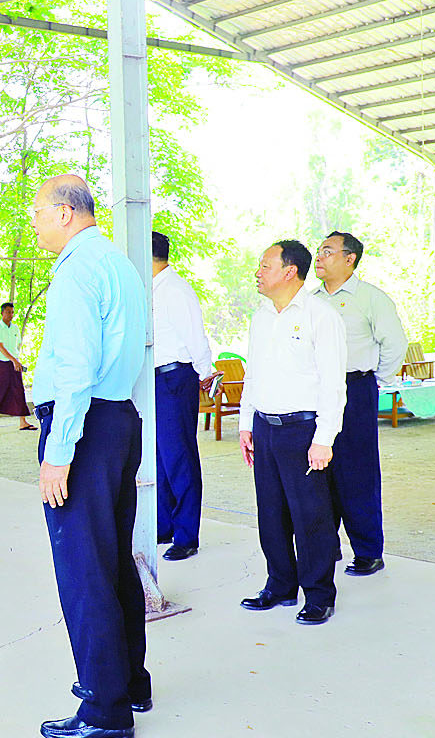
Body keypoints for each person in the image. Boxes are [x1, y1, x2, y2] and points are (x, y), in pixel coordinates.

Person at [28, 175, 149, 738]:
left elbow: (76, 368)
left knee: (84, 569)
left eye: (38, 211)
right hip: (118, 419)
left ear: (65, 212)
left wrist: (59, 453)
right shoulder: (119, 264)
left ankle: (105, 709)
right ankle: (130, 683)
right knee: (114, 559)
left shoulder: (77, 270)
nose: (34, 222)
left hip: (85, 428)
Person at [238, 241, 346, 626]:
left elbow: (333, 382)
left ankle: (318, 595)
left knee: (311, 516)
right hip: (265, 428)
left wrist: (324, 439)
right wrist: (246, 423)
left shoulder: (321, 316)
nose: (258, 272)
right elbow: (254, 375)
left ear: (290, 271)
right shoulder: (261, 317)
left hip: (303, 430)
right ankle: (280, 585)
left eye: (265, 265)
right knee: (271, 513)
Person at [313, 231, 406, 577]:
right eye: (319, 251)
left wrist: (372, 379)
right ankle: (326, 546)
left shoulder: (370, 298)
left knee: (357, 472)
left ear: (349, 259)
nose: (319, 257)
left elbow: (394, 343)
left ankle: (368, 552)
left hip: (355, 389)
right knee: (320, 472)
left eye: (327, 251)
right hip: (318, 393)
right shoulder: (310, 300)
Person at [151, 232, 218, 562]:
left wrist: (206, 372)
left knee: (179, 457)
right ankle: (164, 525)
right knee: (160, 458)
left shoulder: (175, 289)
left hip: (175, 378)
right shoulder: (152, 289)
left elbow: (195, 336)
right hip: (155, 380)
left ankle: (187, 535)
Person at [0, 302, 34, 430]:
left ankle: (23, 422)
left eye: (12, 312)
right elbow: (0, 347)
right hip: (1, 363)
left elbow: (16, 346)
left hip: (14, 363)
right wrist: (13, 360)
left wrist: (16, 360)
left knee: (18, 390)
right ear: (2, 313)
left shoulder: (15, 328)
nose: (11, 315)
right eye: (8, 312)